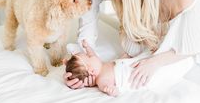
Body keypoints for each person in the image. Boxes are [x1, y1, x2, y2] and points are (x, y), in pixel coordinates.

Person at [64, 41, 193, 96]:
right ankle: (185, 59)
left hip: (133, 63)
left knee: (154, 53)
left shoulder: (102, 66)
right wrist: (111, 90)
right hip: (135, 74)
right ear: (91, 71)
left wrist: (87, 47)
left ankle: (179, 52)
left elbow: (93, 55)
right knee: (160, 72)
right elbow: (107, 88)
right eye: (88, 56)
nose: (90, 54)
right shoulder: (102, 80)